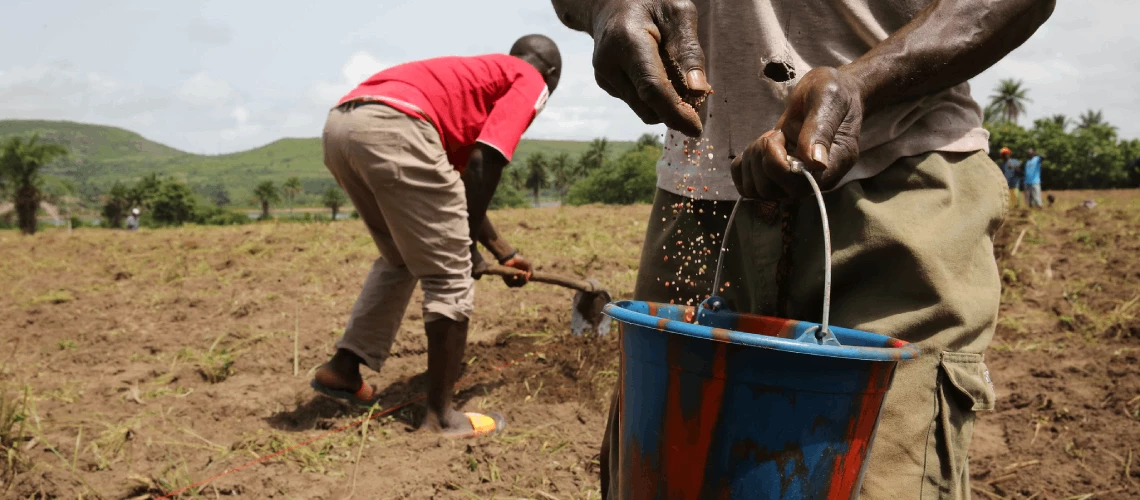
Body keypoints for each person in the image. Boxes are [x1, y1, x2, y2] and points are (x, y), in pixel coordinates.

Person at [549, 0, 1054, 497]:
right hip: (699, 195)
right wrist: (604, 8)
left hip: (890, 178)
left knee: (877, 478)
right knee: (661, 475)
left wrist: (865, 82)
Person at [311, 35, 562, 438]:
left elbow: (456, 184)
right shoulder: (530, 78)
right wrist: (464, 248)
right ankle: (442, 418)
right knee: (449, 276)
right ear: (551, 73)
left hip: (344, 125)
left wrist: (503, 252)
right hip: (397, 128)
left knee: (399, 258)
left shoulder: (472, 82)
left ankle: (343, 368)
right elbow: (485, 164)